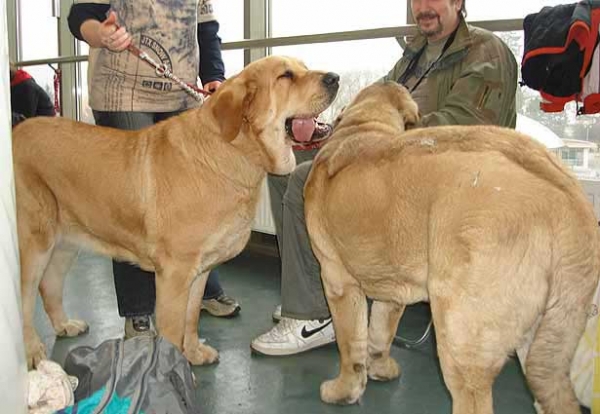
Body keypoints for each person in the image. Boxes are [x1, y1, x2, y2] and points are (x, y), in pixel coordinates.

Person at [251, 0, 518, 356]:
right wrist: (333, 130)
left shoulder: (487, 51)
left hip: (440, 174)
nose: (422, 7)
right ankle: (317, 294)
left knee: (304, 178)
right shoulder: (413, 55)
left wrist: (377, 138)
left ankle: (311, 316)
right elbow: (370, 99)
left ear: (458, 2)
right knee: (285, 162)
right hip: (385, 156)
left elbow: (462, 128)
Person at [67, 0, 240, 339]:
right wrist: (100, 34)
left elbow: (206, 27)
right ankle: (139, 311)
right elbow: (80, 17)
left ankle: (201, 289)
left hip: (181, 96)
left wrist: (215, 76)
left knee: (196, 201)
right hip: (124, 96)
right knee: (133, 205)